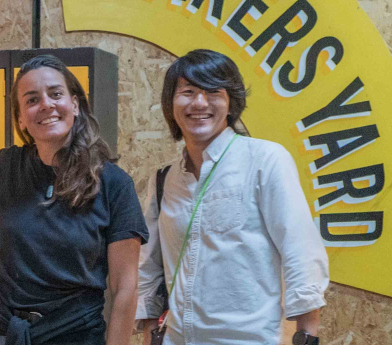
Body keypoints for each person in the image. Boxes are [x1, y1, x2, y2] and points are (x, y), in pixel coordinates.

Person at [0, 55, 147, 345]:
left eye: (56, 94)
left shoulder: (113, 183)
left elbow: (125, 288)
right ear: (22, 119)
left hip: (74, 335)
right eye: (32, 99)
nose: (46, 105)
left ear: (75, 104)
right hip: (1, 331)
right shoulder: (4, 167)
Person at [133, 49, 329, 345]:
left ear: (230, 102)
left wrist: (306, 336)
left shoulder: (265, 160)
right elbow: (147, 267)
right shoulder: (163, 180)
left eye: (213, 92)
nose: (199, 102)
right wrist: (150, 335)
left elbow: (300, 252)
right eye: (187, 92)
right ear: (170, 103)